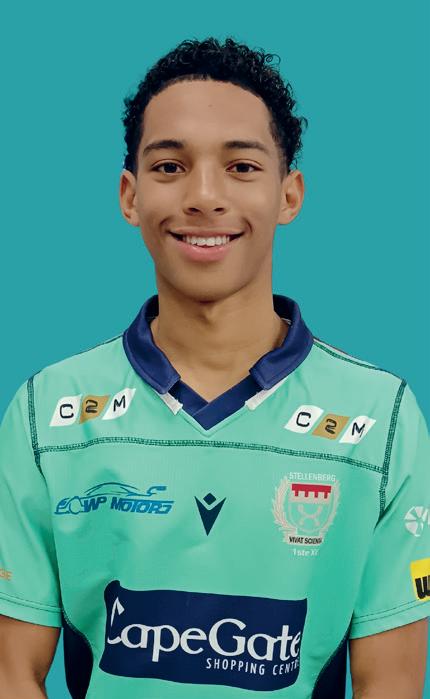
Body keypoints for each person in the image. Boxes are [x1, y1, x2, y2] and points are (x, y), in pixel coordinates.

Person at [0, 35, 428, 699]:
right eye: (170, 166)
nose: (204, 196)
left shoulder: (382, 417)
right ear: (129, 196)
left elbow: (391, 683)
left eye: (241, 166)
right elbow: (11, 673)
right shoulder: (46, 412)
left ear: (289, 196)